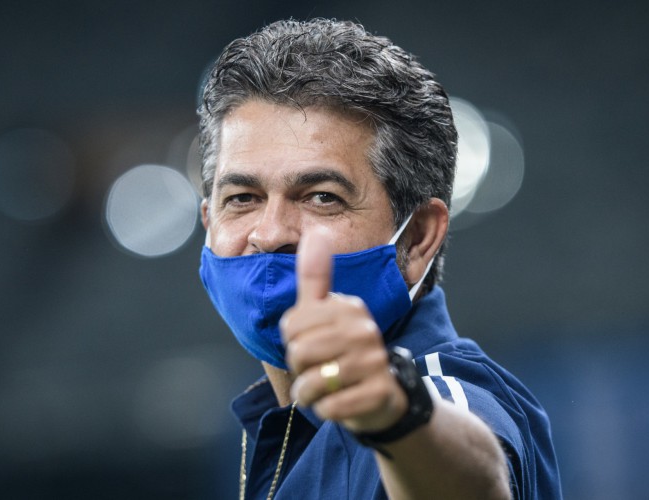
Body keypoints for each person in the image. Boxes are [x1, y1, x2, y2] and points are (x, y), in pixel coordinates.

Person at [197, 18, 561, 499]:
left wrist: (396, 413)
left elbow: (474, 483)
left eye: (322, 197)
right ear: (208, 221)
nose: (269, 234)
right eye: (242, 197)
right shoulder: (285, 429)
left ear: (418, 238)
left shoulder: (439, 392)